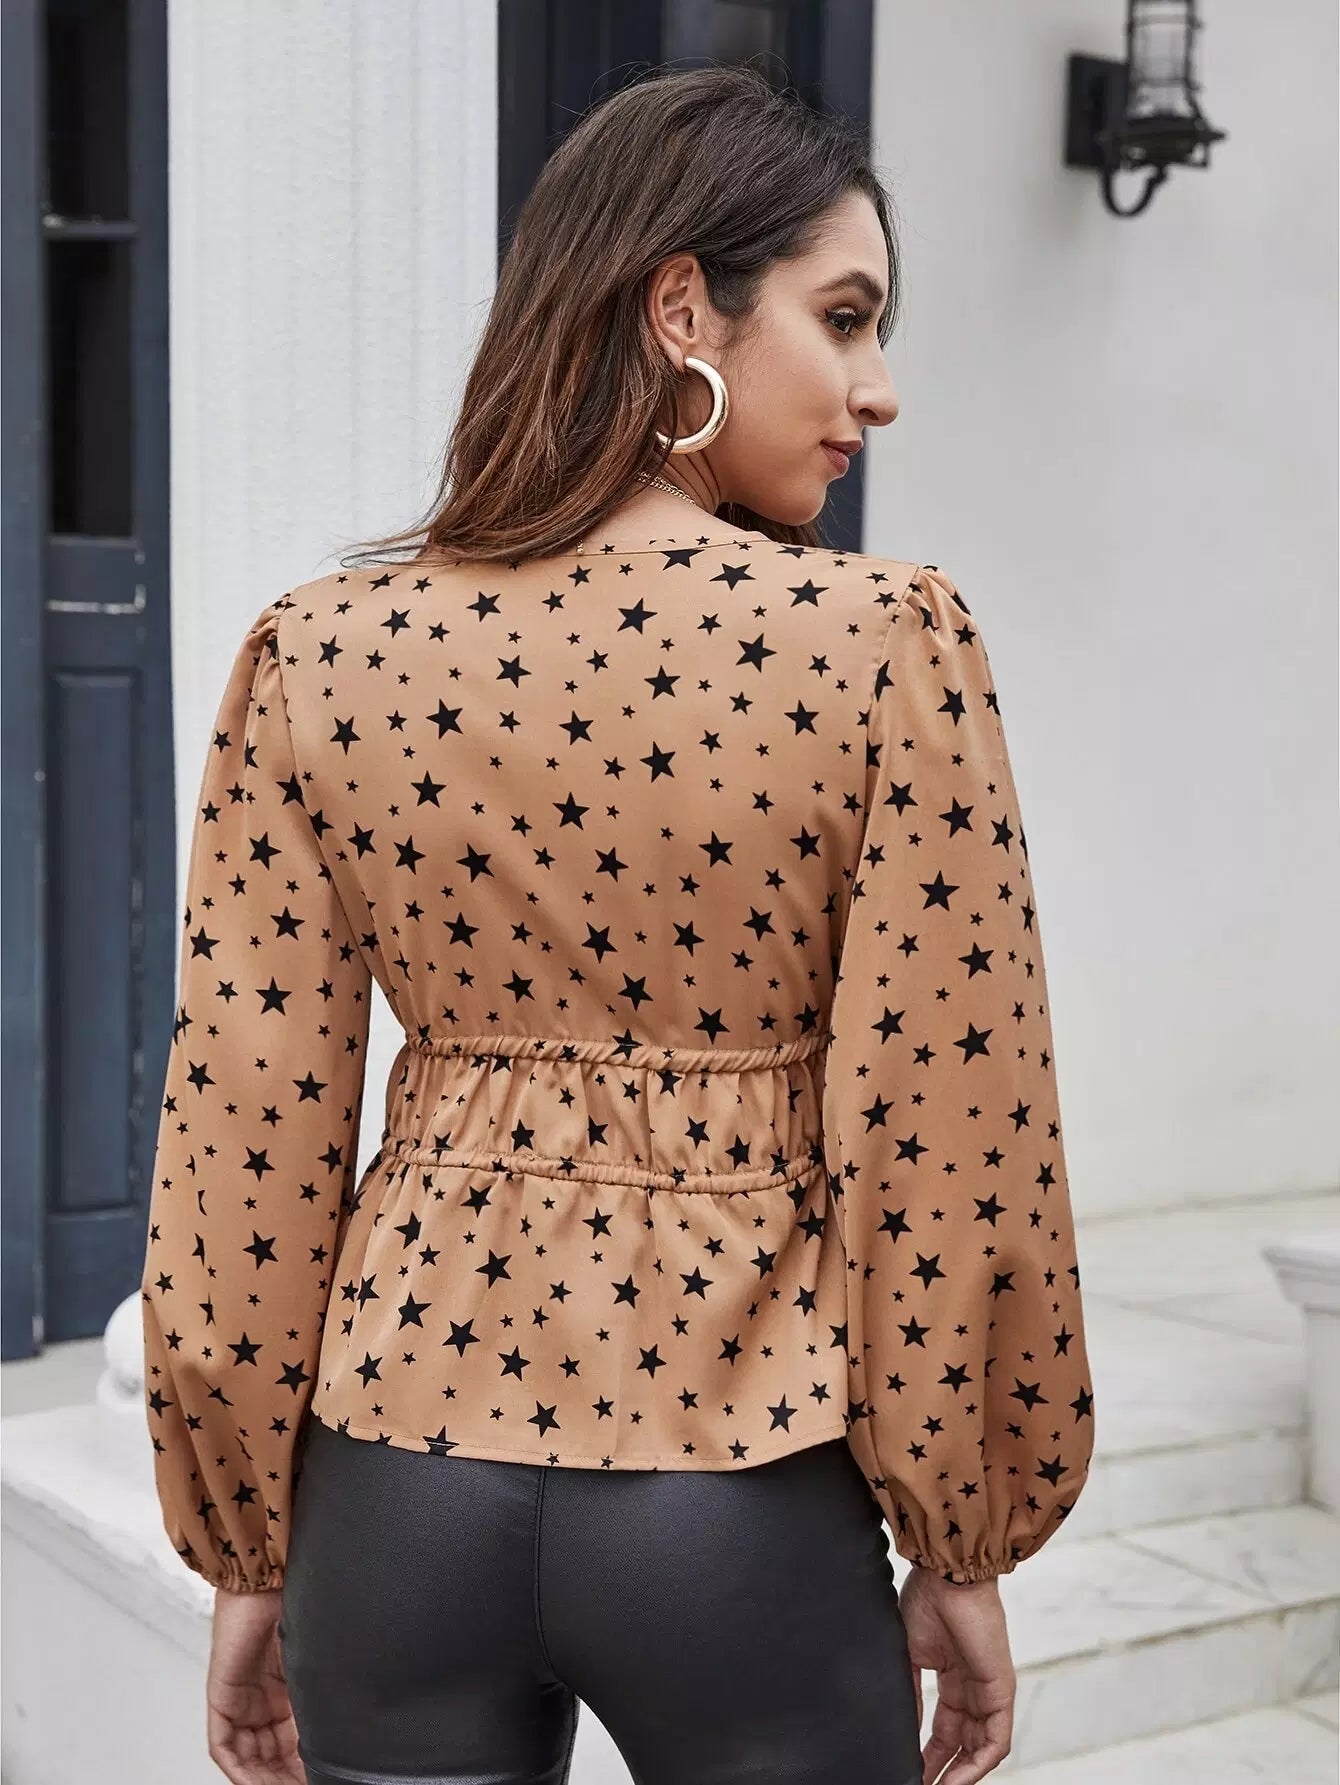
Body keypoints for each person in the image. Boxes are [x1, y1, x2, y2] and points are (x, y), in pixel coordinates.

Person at [140, 62, 1094, 1785]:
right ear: (680, 311)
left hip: (393, 1492)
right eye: (846, 317)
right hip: (737, 1492)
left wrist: (251, 1554)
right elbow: (952, 1132)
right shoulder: (881, 646)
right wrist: (962, 1535)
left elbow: (244, 1131)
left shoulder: (320, 653)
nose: (878, 389)